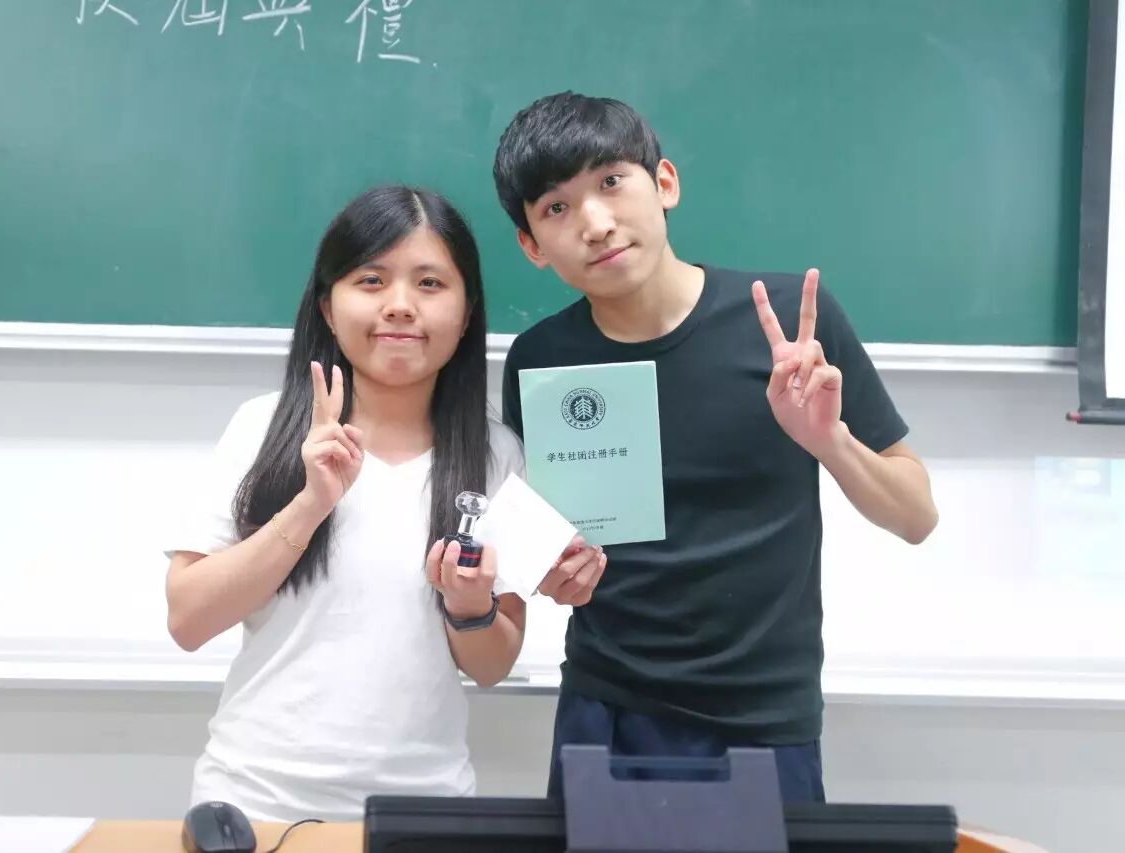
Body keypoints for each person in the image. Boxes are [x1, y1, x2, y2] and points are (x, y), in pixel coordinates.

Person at [492, 92, 939, 803]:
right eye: (556, 207)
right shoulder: (541, 359)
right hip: (606, 708)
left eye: (612, 181)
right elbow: (550, 545)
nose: (595, 223)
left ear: (664, 183)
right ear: (532, 245)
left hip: (766, 717)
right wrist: (552, 572)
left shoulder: (787, 327)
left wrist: (830, 442)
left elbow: (916, 517)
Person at [164, 185, 605, 822]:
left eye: (430, 283)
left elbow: (492, 664)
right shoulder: (261, 430)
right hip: (253, 801)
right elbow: (188, 620)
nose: (399, 305)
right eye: (371, 280)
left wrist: (469, 605)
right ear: (327, 305)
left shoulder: (497, 454)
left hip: (423, 811)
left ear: (466, 312)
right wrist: (310, 503)